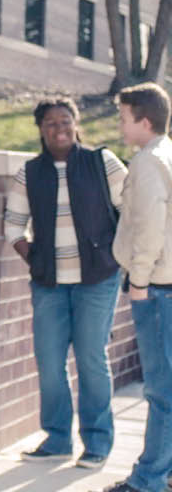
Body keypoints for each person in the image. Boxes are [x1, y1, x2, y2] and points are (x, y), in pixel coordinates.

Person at [4, 98, 127, 468]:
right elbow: (13, 226)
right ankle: (57, 440)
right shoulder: (30, 173)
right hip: (49, 286)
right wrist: (38, 260)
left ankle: (98, 443)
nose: (58, 129)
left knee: (91, 360)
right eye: (50, 123)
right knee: (50, 360)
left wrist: (115, 257)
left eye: (65, 121)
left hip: (97, 281)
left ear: (75, 123)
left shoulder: (102, 162)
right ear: (40, 129)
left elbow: (130, 212)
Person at [102, 83, 172, 492]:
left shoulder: (148, 163)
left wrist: (140, 282)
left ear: (144, 121)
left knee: (161, 390)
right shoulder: (166, 154)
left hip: (159, 288)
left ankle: (148, 480)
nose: (120, 125)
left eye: (124, 117)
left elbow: (148, 229)